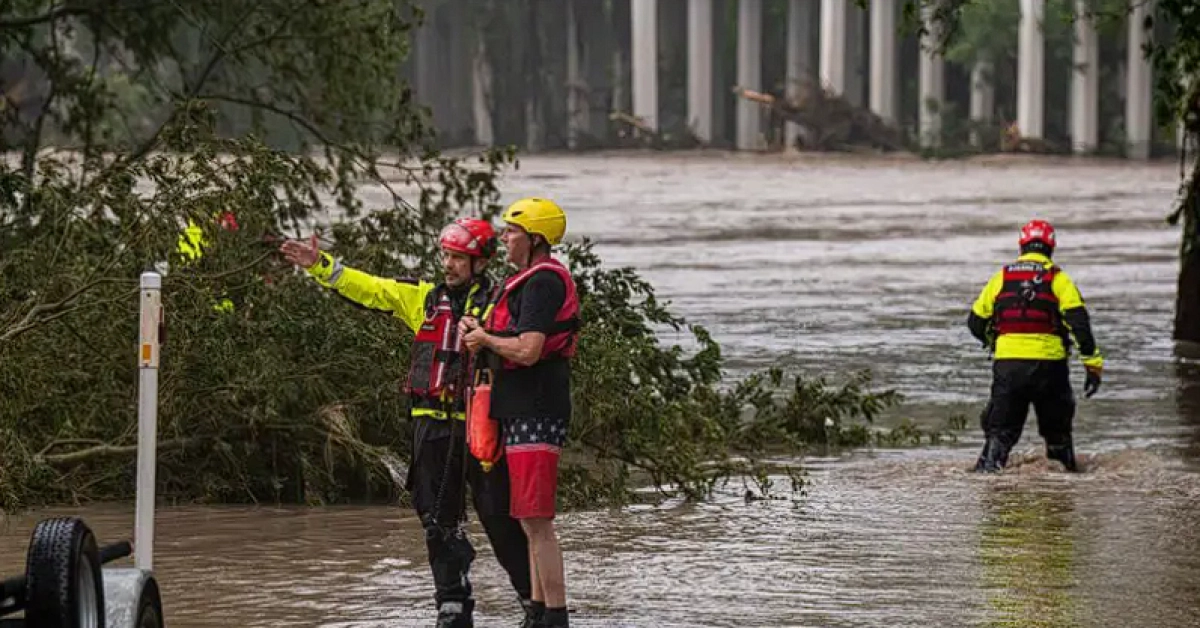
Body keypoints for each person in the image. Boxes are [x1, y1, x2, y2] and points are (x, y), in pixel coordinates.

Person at [279, 218, 534, 628]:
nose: (448, 264)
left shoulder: (501, 301)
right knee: (437, 520)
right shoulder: (424, 298)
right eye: (446, 255)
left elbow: (524, 347)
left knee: (499, 519)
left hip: (482, 427)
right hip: (432, 426)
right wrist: (319, 264)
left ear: (480, 262)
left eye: (458, 258)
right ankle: (452, 604)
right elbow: (366, 287)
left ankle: (533, 601)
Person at [461, 197, 580, 628]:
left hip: (537, 406)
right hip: (521, 407)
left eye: (512, 232)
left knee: (536, 520)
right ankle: (536, 610)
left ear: (534, 239)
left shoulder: (543, 283)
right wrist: (484, 334)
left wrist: (486, 341)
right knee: (526, 518)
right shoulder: (528, 280)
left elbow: (529, 350)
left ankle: (556, 614)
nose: (506, 239)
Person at [967, 219, 1104, 473]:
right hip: (1050, 369)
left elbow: (975, 322)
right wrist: (1092, 366)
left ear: (1022, 246)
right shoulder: (1059, 279)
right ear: (1051, 247)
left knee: (999, 436)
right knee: (1058, 436)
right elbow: (1080, 326)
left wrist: (994, 342)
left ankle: (985, 490)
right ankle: (1065, 491)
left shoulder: (1001, 278)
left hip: (1008, 367)